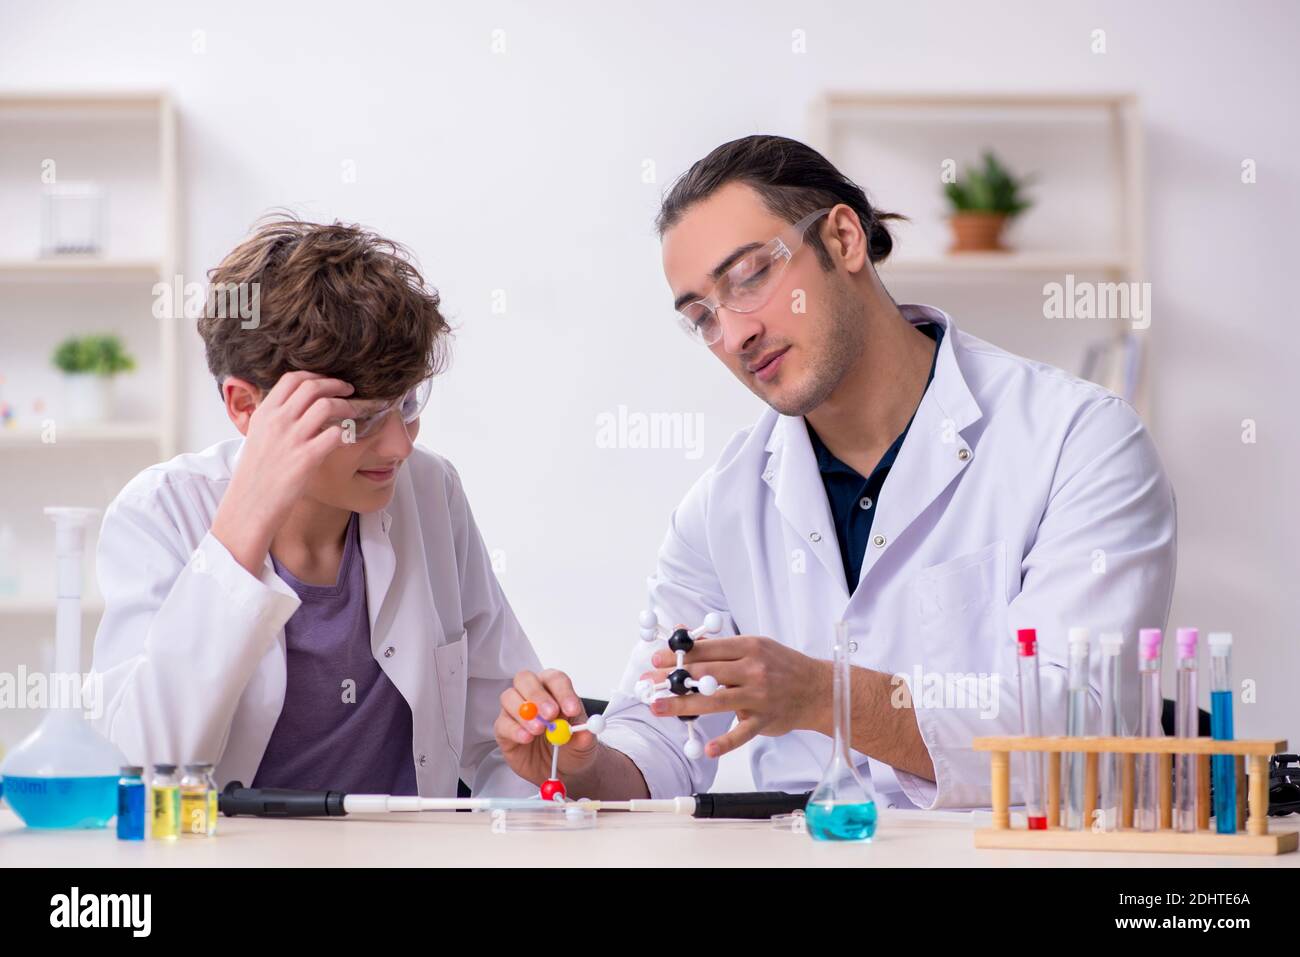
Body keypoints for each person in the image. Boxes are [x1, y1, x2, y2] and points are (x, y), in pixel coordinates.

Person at [495, 135, 1176, 809]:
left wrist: (828, 696)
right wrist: (577, 762)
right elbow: (663, 740)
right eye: (702, 316)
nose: (733, 335)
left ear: (845, 239)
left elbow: (1084, 729)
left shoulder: (1078, 440)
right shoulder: (720, 507)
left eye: (749, 277)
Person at [90, 215, 540, 797]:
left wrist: (542, 761)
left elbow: (500, 743)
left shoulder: (429, 489)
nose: (400, 445)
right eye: (359, 420)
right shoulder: (159, 513)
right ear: (246, 406)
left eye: (405, 403)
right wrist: (242, 528)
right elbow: (146, 769)